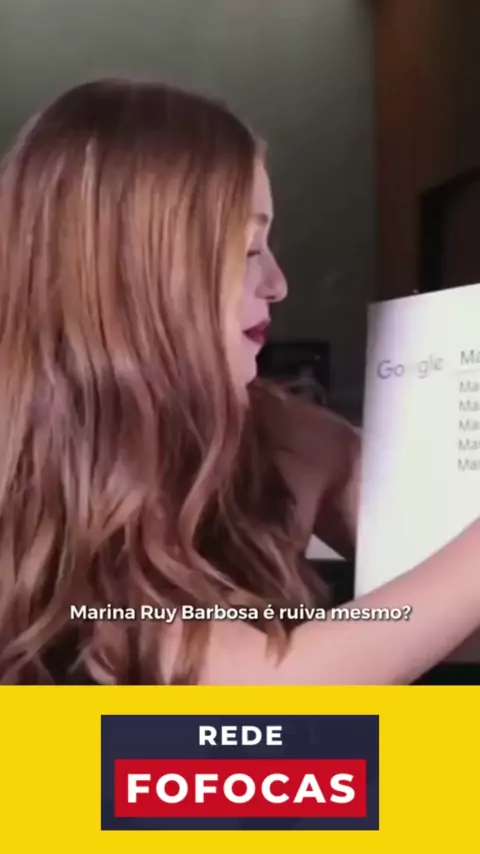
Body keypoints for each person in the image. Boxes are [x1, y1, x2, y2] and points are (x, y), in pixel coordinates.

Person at [0, 79, 479, 686]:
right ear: (138, 272)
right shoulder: (36, 468)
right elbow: (266, 692)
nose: (278, 284)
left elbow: (443, 612)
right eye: (250, 249)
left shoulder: (287, 438)